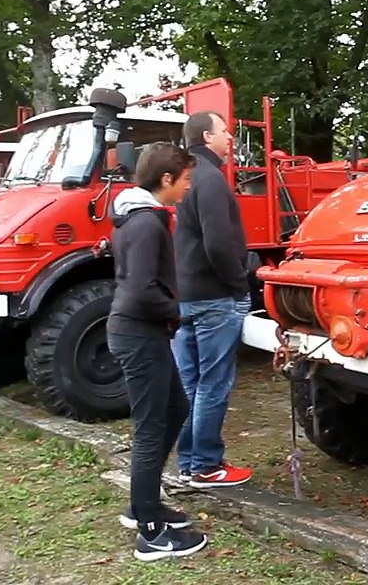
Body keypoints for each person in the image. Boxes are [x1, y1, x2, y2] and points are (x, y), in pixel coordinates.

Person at [107, 142, 208, 561]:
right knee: (151, 428)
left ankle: (142, 503)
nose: (187, 188)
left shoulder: (134, 218)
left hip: (142, 332)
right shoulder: (146, 223)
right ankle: (150, 532)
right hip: (138, 333)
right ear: (165, 179)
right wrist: (177, 313)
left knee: (176, 410)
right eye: (185, 180)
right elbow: (140, 290)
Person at [171, 110, 253, 488]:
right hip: (215, 297)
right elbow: (218, 244)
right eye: (225, 131)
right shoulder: (211, 180)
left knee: (190, 383)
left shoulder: (184, 180)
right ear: (207, 137)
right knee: (213, 384)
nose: (230, 137)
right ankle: (206, 465)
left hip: (184, 296)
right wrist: (239, 283)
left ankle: (188, 462)